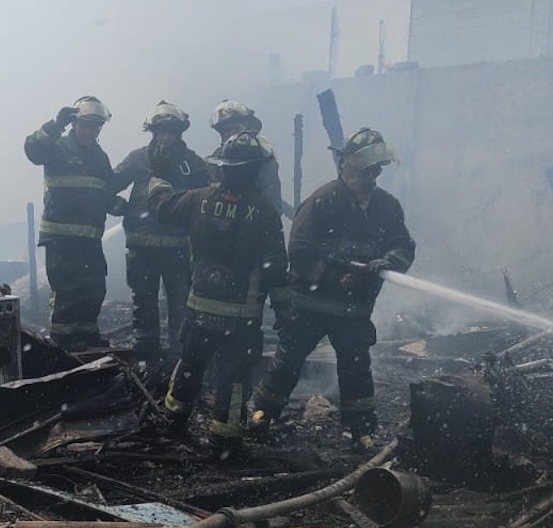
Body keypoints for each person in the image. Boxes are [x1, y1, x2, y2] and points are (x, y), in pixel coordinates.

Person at [250, 128, 415, 450]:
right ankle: (261, 414)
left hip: (354, 309)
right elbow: (298, 250)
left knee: (356, 369)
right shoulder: (322, 201)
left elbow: (403, 244)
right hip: (311, 303)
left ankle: (361, 431)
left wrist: (388, 262)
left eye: (376, 170)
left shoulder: (386, 206)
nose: (372, 176)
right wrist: (337, 271)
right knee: (288, 361)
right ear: (347, 166)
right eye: (367, 169)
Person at [147, 131, 290, 459]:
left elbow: (162, 208)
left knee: (190, 364)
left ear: (223, 167)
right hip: (240, 319)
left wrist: (156, 179)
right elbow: (275, 267)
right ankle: (223, 439)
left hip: (198, 311)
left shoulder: (199, 199)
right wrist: (284, 311)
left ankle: (174, 419)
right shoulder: (264, 211)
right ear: (255, 170)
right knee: (233, 377)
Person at [24, 95, 125, 352]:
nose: (89, 131)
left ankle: (88, 336)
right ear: (73, 124)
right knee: (67, 290)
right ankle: (64, 341)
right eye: (84, 126)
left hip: (89, 238)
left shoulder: (100, 157)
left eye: (94, 127)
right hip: (61, 237)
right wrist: (55, 124)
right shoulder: (57, 146)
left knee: (93, 288)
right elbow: (33, 150)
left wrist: (118, 206)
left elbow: (103, 193)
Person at [112, 101, 207, 361]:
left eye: (171, 132)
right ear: (153, 132)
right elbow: (110, 183)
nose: (166, 137)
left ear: (179, 133)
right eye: (161, 131)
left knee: (180, 298)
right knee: (143, 295)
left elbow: (208, 196)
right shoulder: (137, 159)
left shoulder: (193, 164)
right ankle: (146, 346)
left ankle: (179, 348)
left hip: (177, 245)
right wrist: (116, 205)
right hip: (141, 245)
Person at [208, 100, 293, 219]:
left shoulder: (263, 159)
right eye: (227, 131)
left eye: (235, 129)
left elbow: (272, 204)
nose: (231, 134)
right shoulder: (215, 159)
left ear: (247, 129)